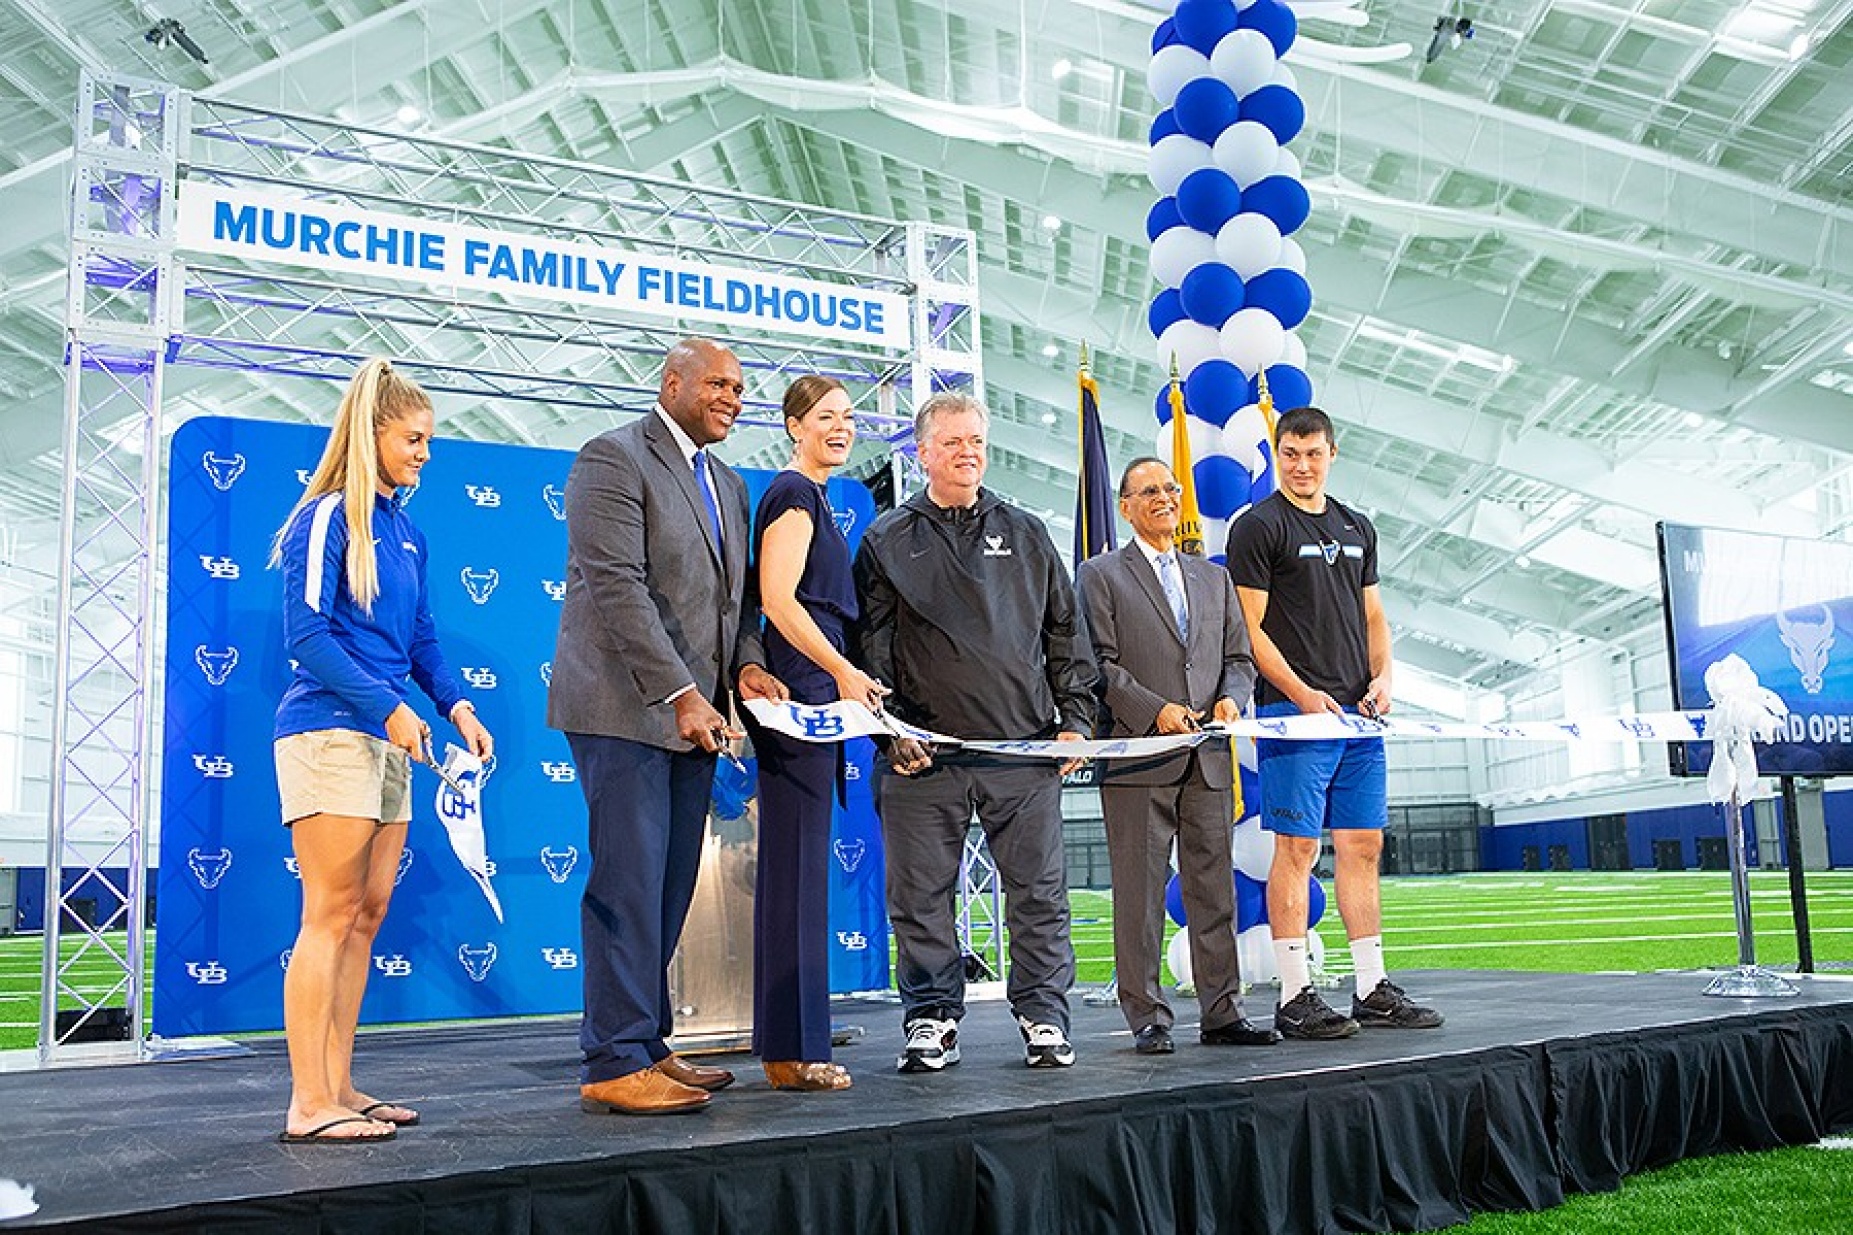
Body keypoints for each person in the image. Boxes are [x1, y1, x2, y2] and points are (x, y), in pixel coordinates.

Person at [548, 337, 789, 1116]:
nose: (731, 396)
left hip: (695, 717)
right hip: (624, 709)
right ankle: (611, 1056)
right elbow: (617, 588)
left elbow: (737, 603)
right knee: (626, 883)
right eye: (718, 382)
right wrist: (683, 690)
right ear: (673, 381)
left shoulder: (729, 481)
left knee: (667, 885)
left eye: (740, 387)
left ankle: (647, 1042)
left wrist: (743, 668)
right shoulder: (611, 458)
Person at [271, 358, 495, 1144]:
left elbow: (423, 638)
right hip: (329, 730)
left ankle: (338, 1084)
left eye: (428, 440)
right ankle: (307, 1102)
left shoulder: (406, 529)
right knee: (327, 914)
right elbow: (308, 638)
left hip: (391, 735)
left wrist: (455, 704)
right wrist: (390, 706)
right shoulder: (327, 516)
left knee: (365, 916)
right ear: (372, 435)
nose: (425, 453)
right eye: (413, 438)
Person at [853, 391, 1097, 1072]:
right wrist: (887, 734)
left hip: (1020, 750)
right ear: (922, 451)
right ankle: (931, 1016)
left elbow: (1063, 633)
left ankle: (1043, 1016)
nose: (967, 452)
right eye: (952, 441)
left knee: (1038, 893)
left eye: (976, 442)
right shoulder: (886, 539)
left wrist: (1074, 721)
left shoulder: (1024, 532)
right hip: (922, 756)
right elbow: (870, 647)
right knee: (919, 896)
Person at [1223, 406, 1442, 1040]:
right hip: (1295, 715)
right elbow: (1249, 629)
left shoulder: (1357, 526)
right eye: (1290, 453)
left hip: (1359, 717)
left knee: (1363, 847)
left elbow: (1374, 616)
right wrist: (1302, 693)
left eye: (1313, 453)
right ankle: (1294, 996)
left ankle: (1372, 987)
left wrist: (1384, 679)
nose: (1302, 464)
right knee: (1297, 849)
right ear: (1278, 452)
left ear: (1332, 454)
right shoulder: (1258, 527)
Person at [1076, 457, 1279, 1055]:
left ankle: (1223, 1013)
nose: (1165, 496)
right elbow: (1098, 665)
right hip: (1139, 757)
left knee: (1214, 892)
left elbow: (1239, 660)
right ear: (1125, 505)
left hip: (1209, 759)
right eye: (1149, 490)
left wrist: (1230, 700)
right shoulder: (1100, 574)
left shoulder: (1213, 579)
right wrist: (1155, 708)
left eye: (1171, 487)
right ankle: (1148, 1016)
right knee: (1139, 898)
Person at [746, 376, 887, 1093]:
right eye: (826, 417)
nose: (841, 427)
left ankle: (789, 1041)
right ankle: (791, 1050)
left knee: (800, 867)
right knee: (794, 868)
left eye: (849, 417)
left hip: (820, 680)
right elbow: (777, 599)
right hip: (802, 684)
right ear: (794, 424)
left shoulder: (822, 502)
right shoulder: (793, 495)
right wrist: (840, 670)